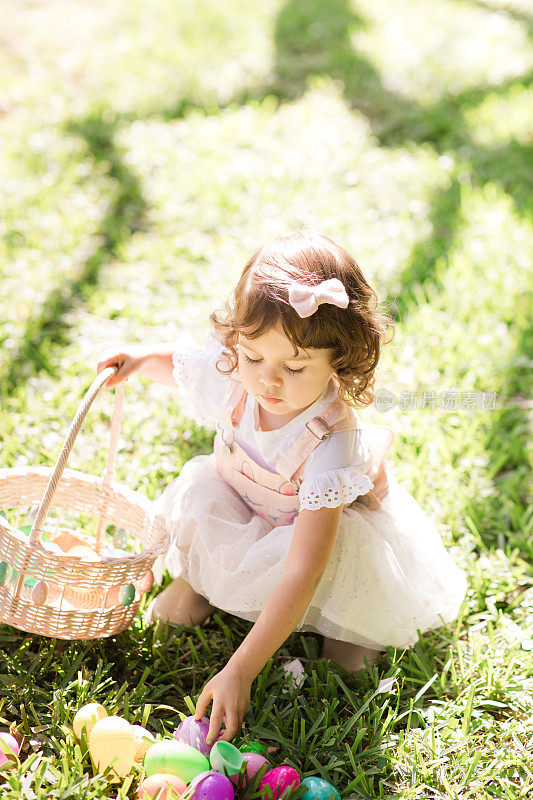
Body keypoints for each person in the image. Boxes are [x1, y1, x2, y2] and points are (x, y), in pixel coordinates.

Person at [96, 229, 468, 747]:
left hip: (313, 541)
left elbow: (302, 570)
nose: (268, 382)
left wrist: (240, 669)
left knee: (349, 659)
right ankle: (207, 584)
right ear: (238, 343)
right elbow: (179, 365)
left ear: (340, 360)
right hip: (242, 505)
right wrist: (137, 360)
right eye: (253, 358)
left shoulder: (330, 443)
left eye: (294, 367)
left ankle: (342, 629)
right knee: (205, 534)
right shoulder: (236, 372)